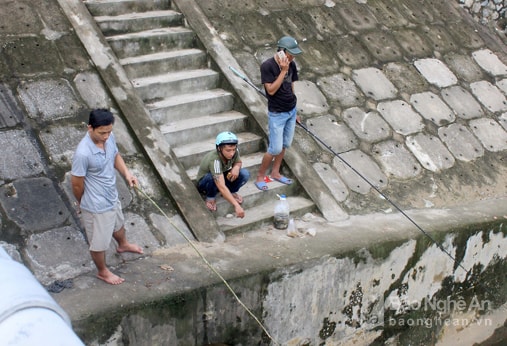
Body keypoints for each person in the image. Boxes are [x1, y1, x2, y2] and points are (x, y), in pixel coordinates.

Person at [71, 108, 143, 285]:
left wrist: (127, 174)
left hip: (111, 195)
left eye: (109, 131)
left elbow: (115, 155)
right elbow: (76, 184)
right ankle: (102, 271)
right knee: (99, 243)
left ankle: (123, 244)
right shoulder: (83, 153)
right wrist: (83, 203)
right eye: (102, 132)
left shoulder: (109, 138)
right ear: (90, 128)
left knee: (118, 224)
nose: (106, 136)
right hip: (95, 205)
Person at [255, 35, 302, 191]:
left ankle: (275, 172)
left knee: (285, 145)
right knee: (274, 148)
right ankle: (260, 176)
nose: (293, 56)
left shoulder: (292, 64)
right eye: (290, 53)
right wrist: (283, 71)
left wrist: (296, 111)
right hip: (277, 113)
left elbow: (291, 87)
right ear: (282, 51)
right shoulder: (267, 66)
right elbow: (271, 90)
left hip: (291, 110)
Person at [197, 131, 250, 218]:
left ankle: (231, 191)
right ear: (219, 149)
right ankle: (210, 197)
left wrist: (236, 167)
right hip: (206, 183)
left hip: (220, 176)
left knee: (244, 174)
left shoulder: (234, 151)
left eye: (233, 149)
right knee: (211, 178)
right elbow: (221, 185)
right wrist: (236, 205)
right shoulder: (215, 160)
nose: (232, 153)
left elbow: (238, 162)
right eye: (228, 150)